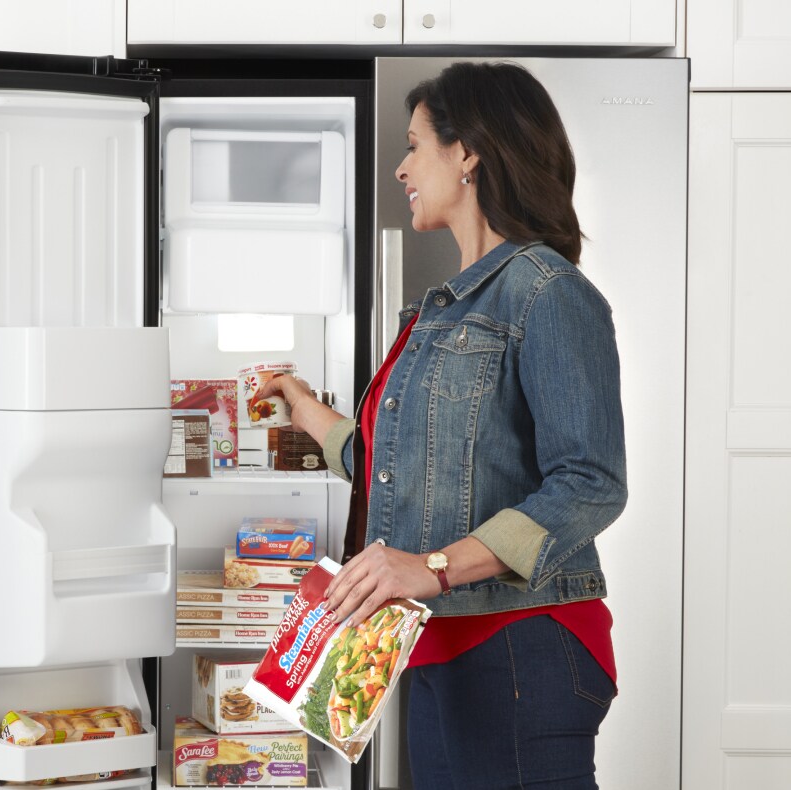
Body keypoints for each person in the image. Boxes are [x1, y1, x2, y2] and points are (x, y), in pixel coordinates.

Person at [252, 61, 626, 789]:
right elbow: (397, 466)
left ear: (469, 153)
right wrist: (300, 404)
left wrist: (430, 567)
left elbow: (591, 484)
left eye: (414, 144)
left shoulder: (548, 292)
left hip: (521, 647)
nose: (400, 167)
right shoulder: (447, 307)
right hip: (436, 648)